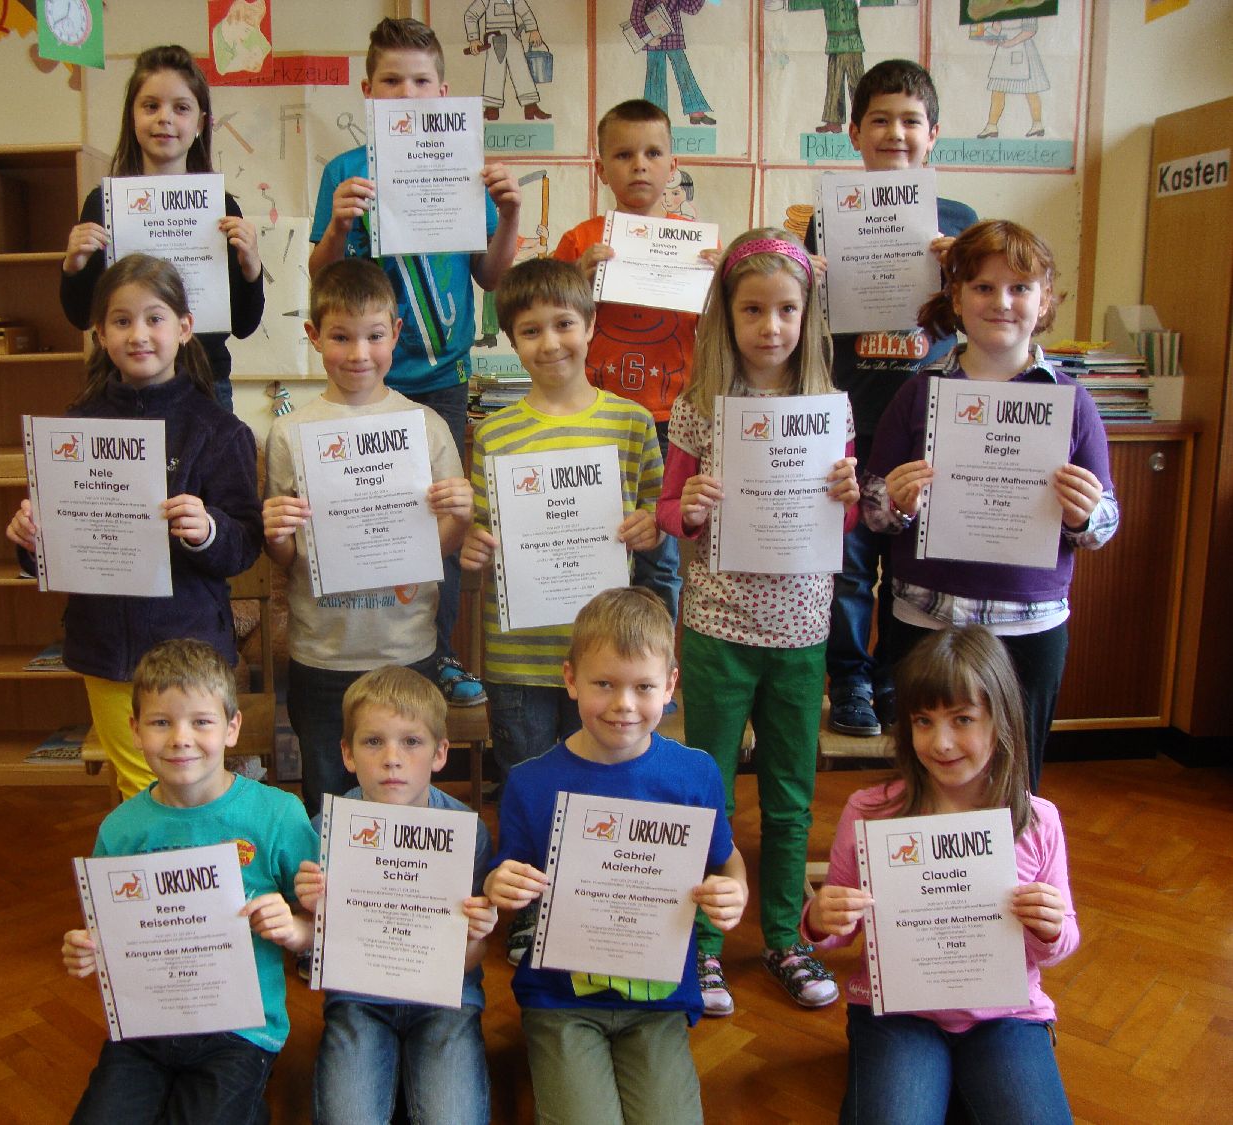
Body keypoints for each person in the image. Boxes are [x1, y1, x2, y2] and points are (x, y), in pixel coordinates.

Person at [658, 228, 857, 1015]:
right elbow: (668, 510)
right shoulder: (700, 408)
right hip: (717, 625)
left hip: (802, 629)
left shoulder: (828, 411)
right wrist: (689, 506)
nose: (771, 326)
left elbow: (841, 525)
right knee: (708, 787)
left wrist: (848, 495)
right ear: (727, 315)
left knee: (790, 790)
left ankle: (784, 934)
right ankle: (703, 942)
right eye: (752, 310)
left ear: (807, 315)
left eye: (786, 310)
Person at [861, 219, 1117, 792]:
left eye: (1019, 288)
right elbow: (873, 512)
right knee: (926, 776)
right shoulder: (919, 392)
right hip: (927, 619)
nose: (1001, 302)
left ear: (1044, 300)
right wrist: (896, 501)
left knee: (1016, 782)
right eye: (983, 287)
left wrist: (1083, 513)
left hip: (1027, 626)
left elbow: (1104, 523)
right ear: (957, 298)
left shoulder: (1071, 401)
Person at [311, 16, 522, 707]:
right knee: (365, 517)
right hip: (362, 384)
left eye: (421, 81)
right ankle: (364, 652)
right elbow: (321, 279)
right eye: (392, 81)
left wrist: (509, 215)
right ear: (367, 90)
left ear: (444, 90)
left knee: (443, 522)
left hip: (440, 385)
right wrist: (339, 225)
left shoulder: (465, 165)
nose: (407, 94)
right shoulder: (344, 170)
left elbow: (492, 277)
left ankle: (438, 652)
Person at [484, 587, 747, 1125]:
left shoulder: (694, 775)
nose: (623, 704)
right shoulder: (531, 783)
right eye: (604, 683)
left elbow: (727, 860)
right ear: (571, 679)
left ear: (669, 686)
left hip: (658, 1000)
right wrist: (498, 886)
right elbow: (506, 875)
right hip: (561, 1000)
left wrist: (735, 889)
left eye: (643, 686)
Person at [8, 255, 263, 799]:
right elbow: (55, 547)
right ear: (100, 335)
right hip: (107, 649)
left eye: (154, 318)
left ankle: (207, 858)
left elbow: (245, 544)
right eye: (121, 321)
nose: (138, 334)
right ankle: (152, 859)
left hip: (191, 645)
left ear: (184, 328)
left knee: (194, 780)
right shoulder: (74, 429)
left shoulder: (218, 430)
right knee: (138, 787)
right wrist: (33, 541)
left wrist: (207, 530)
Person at [804, 624, 1078, 1123]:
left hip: (1006, 1015)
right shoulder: (870, 811)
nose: (942, 742)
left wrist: (1051, 926)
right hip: (899, 1013)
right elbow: (837, 932)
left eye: (963, 719)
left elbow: (1058, 945)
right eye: (923, 721)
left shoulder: (1036, 821)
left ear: (1000, 720)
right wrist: (822, 919)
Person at [60, 639, 318, 1125]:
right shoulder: (120, 830)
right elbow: (111, 933)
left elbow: (321, 921)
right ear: (135, 730)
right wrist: (89, 949)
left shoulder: (278, 815)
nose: (181, 738)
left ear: (232, 727)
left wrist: (295, 926)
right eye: (161, 722)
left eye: (201, 721)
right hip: (145, 1027)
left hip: (240, 1030)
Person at [806, 58, 980, 738]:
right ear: (854, 133)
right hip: (848, 421)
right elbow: (804, 320)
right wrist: (809, 275)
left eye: (911, 121)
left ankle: (894, 679)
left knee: (913, 565)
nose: (895, 133)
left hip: (929, 428)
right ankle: (850, 677)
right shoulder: (827, 217)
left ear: (933, 133)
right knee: (849, 567)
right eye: (879, 119)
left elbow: (977, 324)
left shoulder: (961, 221)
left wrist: (960, 272)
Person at [263, 260, 473, 814]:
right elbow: (285, 557)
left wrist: (461, 515)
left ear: (396, 333)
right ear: (313, 336)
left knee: (402, 798)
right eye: (341, 337)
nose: (359, 353)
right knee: (327, 799)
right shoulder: (289, 433)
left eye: (374, 336)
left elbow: (443, 548)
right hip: (323, 653)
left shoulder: (426, 426)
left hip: (405, 648)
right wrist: (277, 531)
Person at [460, 258, 663, 779]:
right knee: (526, 786)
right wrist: (473, 545)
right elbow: (481, 532)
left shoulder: (632, 423)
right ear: (512, 340)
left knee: (604, 788)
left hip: (608, 656)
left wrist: (651, 526)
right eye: (531, 331)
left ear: (591, 325)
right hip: (518, 659)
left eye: (564, 324)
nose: (550, 343)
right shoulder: (493, 435)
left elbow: (657, 514)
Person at [293, 666, 497, 1125]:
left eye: (411, 742)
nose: (392, 759)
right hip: (358, 998)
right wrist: (311, 910)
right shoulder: (326, 829)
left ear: (440, 753)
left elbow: (470, 959)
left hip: (446, 999)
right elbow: (311, 941)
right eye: (373, 742)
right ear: (347, 754)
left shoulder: (467, 832)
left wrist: (476, 935)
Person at [554, 98, 717, 623]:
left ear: (673, 166)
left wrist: (721, 284)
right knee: (589, 541)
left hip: (667, 419)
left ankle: (654, 658)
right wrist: (577, 278)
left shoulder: (695, 246)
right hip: (593, 414)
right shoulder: (581, 239)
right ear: (602, 169)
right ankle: (592, 649)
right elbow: (548, 315)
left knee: (657, 554)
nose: (639, 165)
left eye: (652, 153)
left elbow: (720, 332)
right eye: (623, 155)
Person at [60, 44, 265, 414]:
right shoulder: (103, 205)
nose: (164, 118)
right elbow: (81, 316)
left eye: (181, 108)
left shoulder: (222, 209)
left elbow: (244, 325)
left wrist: (251, 269)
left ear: (200, 123)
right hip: (123, 386)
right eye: (151, 106)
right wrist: (74, 266)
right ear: (132, 116)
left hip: (205, 384)